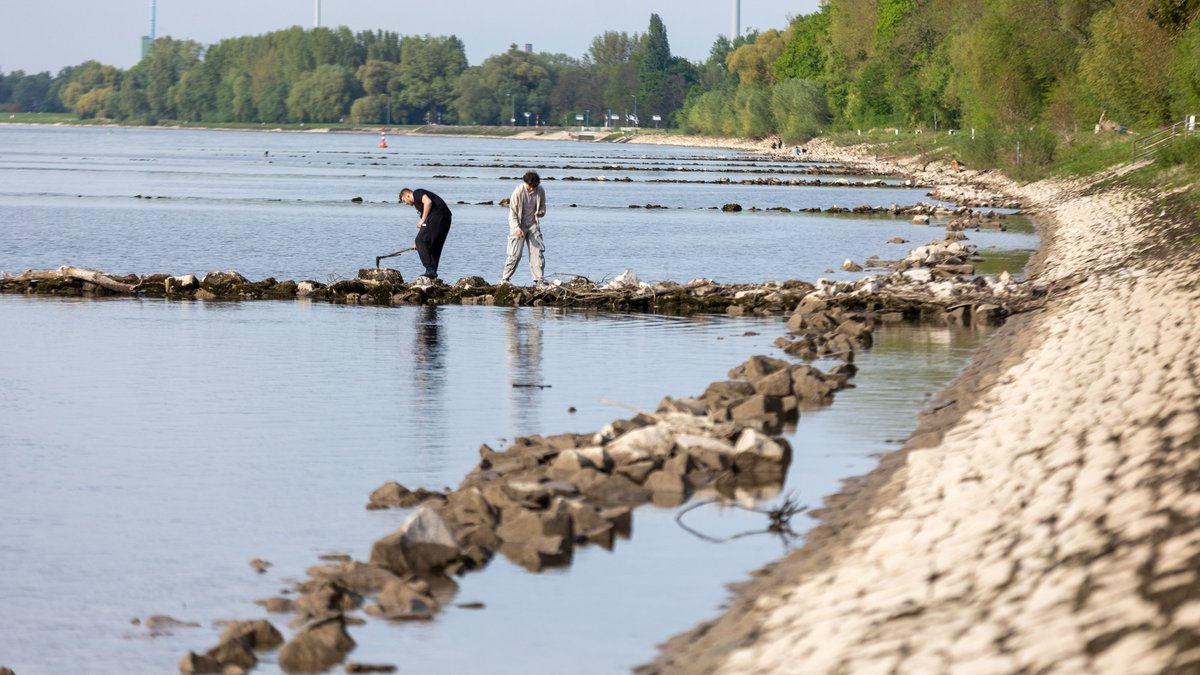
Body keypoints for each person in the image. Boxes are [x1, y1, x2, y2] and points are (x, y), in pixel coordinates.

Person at [501, 171, 547, 284]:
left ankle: (539, 280)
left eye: (534, 186)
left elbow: (542, 205)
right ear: (525, 182)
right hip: (518, 226)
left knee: (538, 253)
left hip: (533, 225)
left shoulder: (540, 190)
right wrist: (517, 228)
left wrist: (541, 212)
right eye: (529, 186)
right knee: (514, 254)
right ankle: (505, 279)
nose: (532, 189)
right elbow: (512, 214)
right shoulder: (518, 191)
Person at [399, 187, 452, 280]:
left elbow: (428, 202)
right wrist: (419, 245)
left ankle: (429, 269)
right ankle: (433, 273)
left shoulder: (417, 193)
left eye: (404, 200)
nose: (405, 203)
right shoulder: (418, 207)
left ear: (407, 195)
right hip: (446, 218)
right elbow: (425, 227)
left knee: (420, 240)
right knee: (433, 245)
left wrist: (422, 220)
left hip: (438, 215)